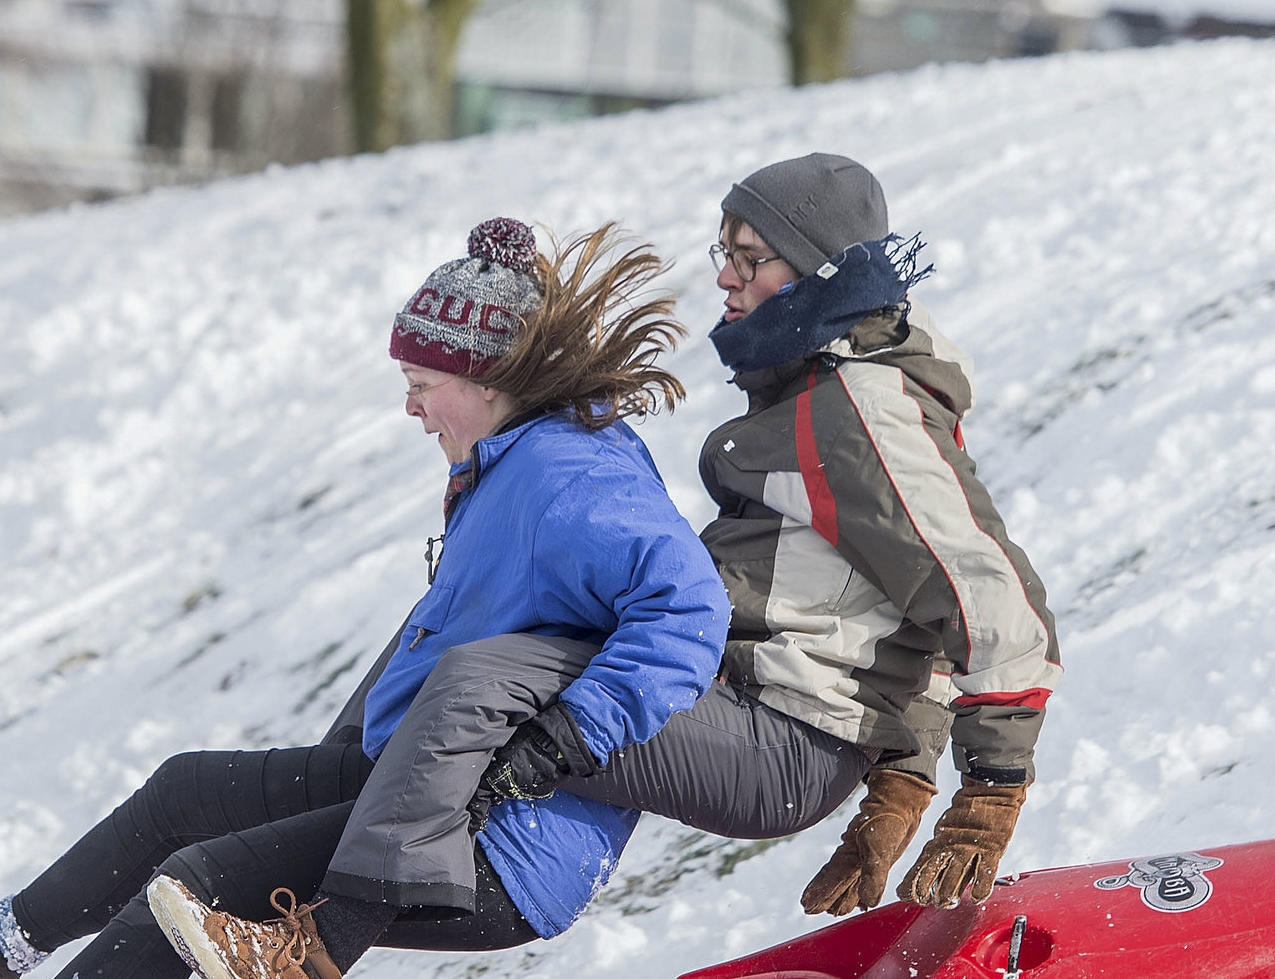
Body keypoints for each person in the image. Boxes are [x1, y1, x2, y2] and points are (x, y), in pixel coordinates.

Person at [0, 218, 727, 979]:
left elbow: (687, 608)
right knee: (185, 793)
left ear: (487, 379)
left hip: (498, 842)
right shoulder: (518, 456)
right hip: (423, 778)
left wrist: (567, 738)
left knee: (193, 886)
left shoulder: (563, 475)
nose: (411, 410)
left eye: (422, 386)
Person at [435, 153, 1061, 921]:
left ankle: (391, 895)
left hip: (779, 734)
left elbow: (989, 601)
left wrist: (987, 798)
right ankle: (410, 865)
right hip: (755, 709)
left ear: (815, 273)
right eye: (721, 252)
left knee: (499, 678)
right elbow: (903, 599)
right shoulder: (816, 387)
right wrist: (905, 778)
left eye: (749, 258)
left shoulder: (860, 412)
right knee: (516, 647)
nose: (725, 278)